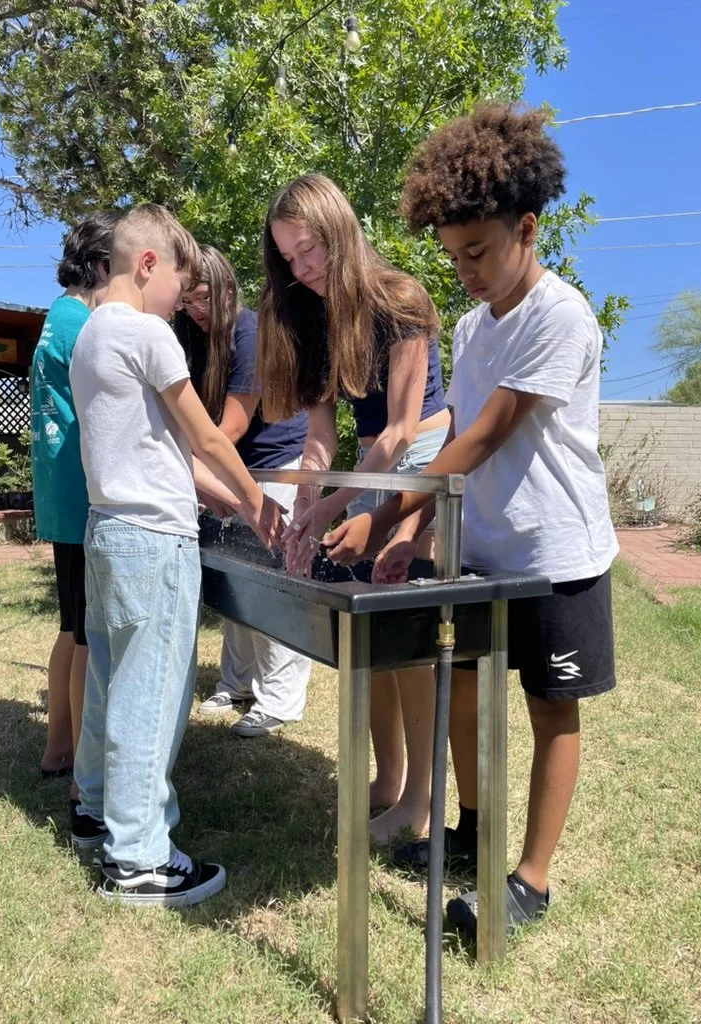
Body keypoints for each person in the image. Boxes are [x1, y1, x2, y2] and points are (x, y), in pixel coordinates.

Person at [323, 103, 619, 938]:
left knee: (550, 707)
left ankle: (529, 881)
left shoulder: (559, 316)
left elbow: (490, 435)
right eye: (453, 257)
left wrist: (382, 519)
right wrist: (415, 529)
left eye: (479, 252)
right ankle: (475, 831)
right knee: (462, 690)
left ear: (528, 228)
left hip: (556, 553)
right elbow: (453, 430)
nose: (466, 272)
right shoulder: (468, 324)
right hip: (481, 545)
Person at [69, 203, 285, 907]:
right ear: (148, 264)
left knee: (111, 678)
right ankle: (138, 859)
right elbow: (208, 439)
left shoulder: (92, 336)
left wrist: (217, 497)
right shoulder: (147, 334)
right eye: (178, 286)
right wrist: (258, 505)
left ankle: (94, 811)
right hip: (153, 543)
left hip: (108, 530)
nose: (181, 303)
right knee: (152, 696)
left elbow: (146, 445)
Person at [258, 173, 451, 844]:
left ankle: (422, 804)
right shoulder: (310, 316)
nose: (301, 268)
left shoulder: (402, 298)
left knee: (408, 639)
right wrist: (308, 507)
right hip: (365, 467)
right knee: (369, 640)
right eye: (288, 258)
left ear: (339, 230)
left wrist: (341, 502)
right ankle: (389, 780)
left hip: (422, 467)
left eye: (309, 249)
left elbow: (401, 430)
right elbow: (318, 437)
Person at [174, 245, 311, 737]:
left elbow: (227, 429)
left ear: (228, 289)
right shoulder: (191, 335)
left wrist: (183, 462)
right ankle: (237, 683)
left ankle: (279, 698)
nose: (195, 311)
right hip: (229, 469)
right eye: (187, 301)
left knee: (271, 581)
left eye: (203, 298)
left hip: (275, 468)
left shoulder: (250, 333)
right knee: (235, 579)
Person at [30, 212, 117, 792]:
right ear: (104, 267)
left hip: (59, 497)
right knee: (87, 631)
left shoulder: (53, 320)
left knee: (70, 625)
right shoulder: (82, 327)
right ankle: (83, 756)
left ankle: (57, 744)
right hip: (81, 495)